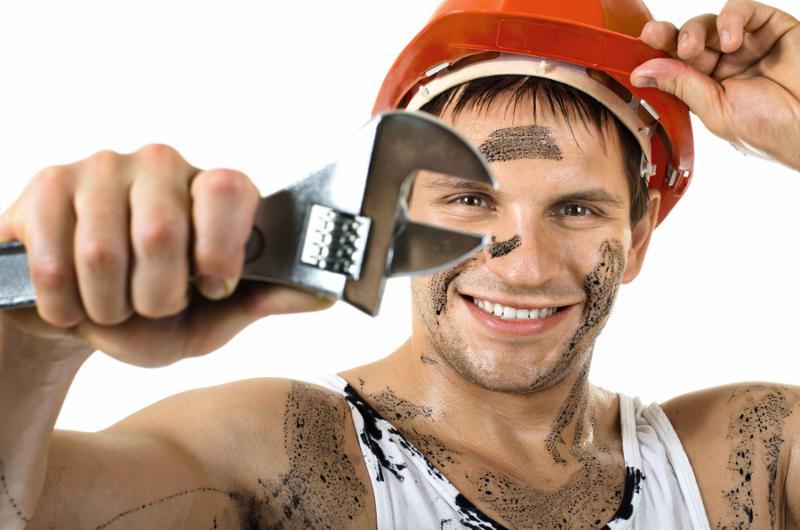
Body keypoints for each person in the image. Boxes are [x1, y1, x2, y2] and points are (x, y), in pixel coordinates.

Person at [1, 0, 799, 528]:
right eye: (471, 202)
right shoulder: (288, 458)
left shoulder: (747, 463)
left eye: (577, 209)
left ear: (642, 236)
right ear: (397, 209)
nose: (523, 269)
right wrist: (32, 342)